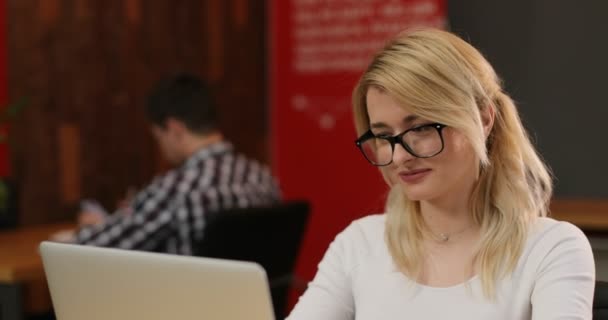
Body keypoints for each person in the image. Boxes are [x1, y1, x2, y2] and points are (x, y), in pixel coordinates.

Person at [286, 28, 595, 319]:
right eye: (383, 136)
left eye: (420, 129)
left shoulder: (550, 249)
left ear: (484, 118)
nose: (400, 155)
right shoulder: (361, 244)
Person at [66, 73, 281, 255]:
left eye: (158, 137)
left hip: (185, 302)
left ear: (175, 129)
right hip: (255, 303)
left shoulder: (177, 189)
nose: (161, 147)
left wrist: (90, 228)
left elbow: (91, 250)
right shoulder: (262, 178)